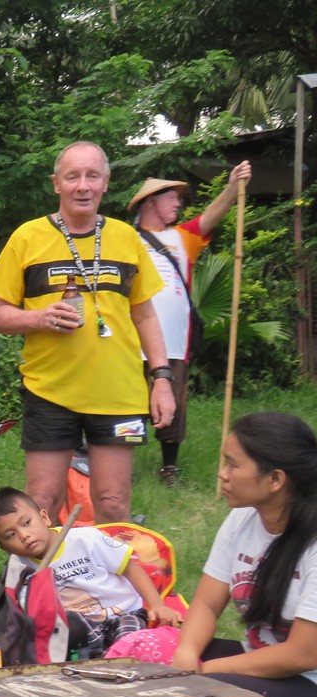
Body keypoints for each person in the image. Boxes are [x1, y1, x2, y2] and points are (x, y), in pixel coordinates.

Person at [0, 141, 175, 524]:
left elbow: (145, 316)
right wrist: (39, 318)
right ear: (57, 183)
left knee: (113, 501)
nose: (83, 186)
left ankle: (105, 567)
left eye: (92, 176)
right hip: (50, 392)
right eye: (72, 177)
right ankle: (47, 568)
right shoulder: (27, 237)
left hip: (118, 392)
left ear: (106, 182)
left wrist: (162, 379)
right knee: (42, 503)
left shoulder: (126, 237)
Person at [171, 412, 317, 697]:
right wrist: (187, 653)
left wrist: (206, 671)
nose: (221, 474)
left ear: (275, 479)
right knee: (150, 660)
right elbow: (207, 604)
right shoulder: (242, 518)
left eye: (232, 465)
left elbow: (303, 654)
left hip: (308, 680)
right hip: (260, 662)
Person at [128, 161, 253, 487]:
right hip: (130, 340)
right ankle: (122, 465)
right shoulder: (126, 239)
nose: (178, 204)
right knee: (127, 404)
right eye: (172, 197)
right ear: (151, 201)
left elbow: (212, 215)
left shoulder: (183, 237)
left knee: (175, 404)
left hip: (174, 341)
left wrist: (232, 187)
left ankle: (169, 468)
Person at [0, 487, 181, 658]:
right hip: (79, 626)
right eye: (11, 535)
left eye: (26, 523)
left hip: (123, 612)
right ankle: (100, 661)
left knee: (131, 644)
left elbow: (131, 568)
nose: (24, 535)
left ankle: (117, 660)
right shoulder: (19, 568)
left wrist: (157, 605)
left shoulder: (85, 539)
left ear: (44, 517)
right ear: (5, 549)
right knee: (71, 643)